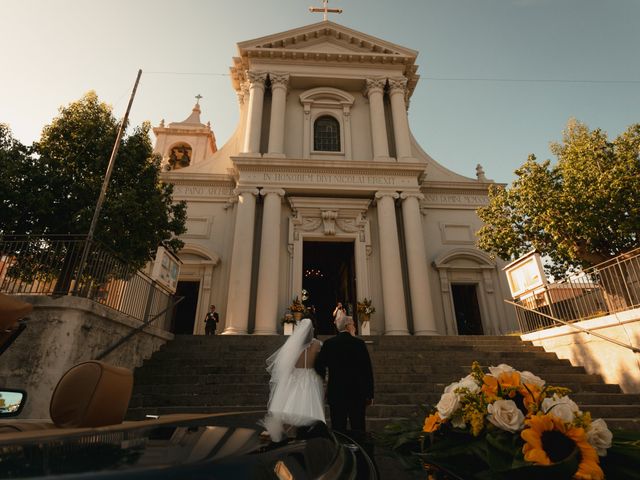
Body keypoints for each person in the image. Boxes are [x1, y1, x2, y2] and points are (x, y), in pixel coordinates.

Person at [261, 318, 325, 442]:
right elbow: (320, 363)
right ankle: (307, 437)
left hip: (296, 379)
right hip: (311, 379)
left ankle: (284, 436)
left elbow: (286, 366)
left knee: (291, 408)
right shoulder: (317, 344)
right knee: (309, 409)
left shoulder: (294, 346)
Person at [314, 315, 374, 436]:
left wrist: (325, 380)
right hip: (357, 392)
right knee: (358, 427)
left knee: (338, 428)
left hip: (336, 391)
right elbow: (367, 369)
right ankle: (359, 453)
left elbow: (318, 365)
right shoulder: (359, 343)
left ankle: (340, 453)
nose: (355, 326)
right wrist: (370, 393)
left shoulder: (329, 343)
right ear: (348, 326)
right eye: (353, 324)